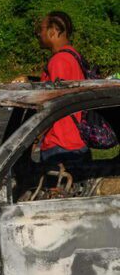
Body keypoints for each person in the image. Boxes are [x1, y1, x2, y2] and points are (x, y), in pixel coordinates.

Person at [34, 11, 88, 163]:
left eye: (41, 29)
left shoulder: (59, 61)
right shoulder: (73, 55)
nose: (39, 34)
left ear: (54, 31)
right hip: (75, 141)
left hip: (60, 143)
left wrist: (36, 136)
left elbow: (53, 102)